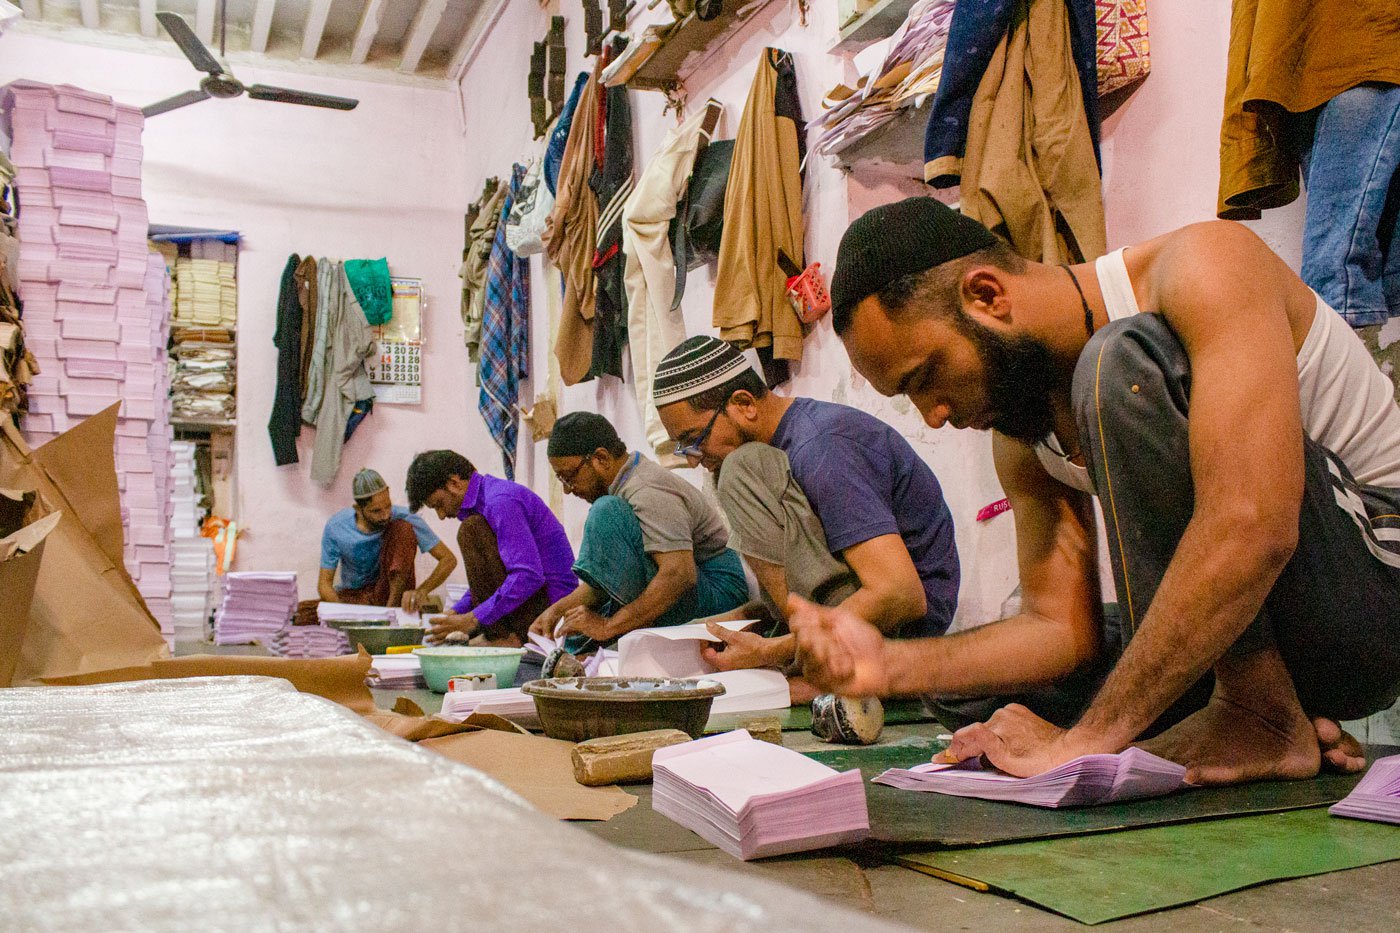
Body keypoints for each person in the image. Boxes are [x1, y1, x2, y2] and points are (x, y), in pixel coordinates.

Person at [795, 195, 1400, 785]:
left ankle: (1256, 714)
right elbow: (1059, 627)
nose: (932, 414)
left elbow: (1253, 526)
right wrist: (886, 666)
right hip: (1274, 621)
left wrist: (1086, 738)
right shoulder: (1018, 418)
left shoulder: (1204, 267)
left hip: (1374, 597)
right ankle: (1269, 714)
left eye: (925, 376)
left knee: (1118, 364)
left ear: (986, 294)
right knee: (966, 690)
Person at [652, 336, 960, 693]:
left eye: (694, 439)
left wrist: (774, 649)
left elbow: (899, 595)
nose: (692, 458)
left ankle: (836, 672)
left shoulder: (822, 447)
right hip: (861, 621)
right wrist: (724, 625)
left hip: (905, 634)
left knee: (737, 469)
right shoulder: (782, 451)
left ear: (744, 403)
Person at [532, 412, 750, 644]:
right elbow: (603, 584)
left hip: (720, 592)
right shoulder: (625, 484)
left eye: (569, 477)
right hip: (694, 582)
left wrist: (608, 626)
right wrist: (554, 612)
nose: (568, 489)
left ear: (601, 458)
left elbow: (679, 574)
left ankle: (612, 641)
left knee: (605, 511)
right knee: (580, 626)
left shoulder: (646, 488)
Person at [406, 450, 578, 648]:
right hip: (537, 604)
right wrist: (455, 613)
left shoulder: (500, 501)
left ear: (454, 483)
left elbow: (528, 576)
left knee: (470, 530)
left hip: (552, 611)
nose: (442, 515)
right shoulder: (488, 501)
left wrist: (472, 619)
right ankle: (500, 635)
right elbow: (493, 580)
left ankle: (503, 638)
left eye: (439, 504)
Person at [318, 468, 456, 611]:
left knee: (403, 529)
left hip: (389, 595)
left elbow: (448, 559)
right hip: (355, 597)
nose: (385, 515)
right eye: (376, 511)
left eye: (388, 506)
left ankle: (391, 613)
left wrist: (422, 591)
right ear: (358, 509)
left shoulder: (404, 516)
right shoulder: (336, 526)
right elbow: (324, 585)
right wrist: (343, 614)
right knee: (303, 614)